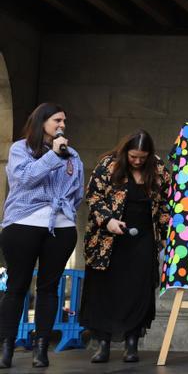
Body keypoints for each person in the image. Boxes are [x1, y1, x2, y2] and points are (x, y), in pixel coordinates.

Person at [0, 103, 83, 369]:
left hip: (60, 228)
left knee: (49, 288)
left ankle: (41, 348)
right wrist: (53, 156)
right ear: (42, 122)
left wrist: (67, 213)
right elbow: (24, 180)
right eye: (57, 120)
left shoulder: (73, 155)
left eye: (64, 121)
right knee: (17, 286)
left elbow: (77, 192)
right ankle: (6, 347)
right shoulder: (20, 149)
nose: (62, 125)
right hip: (23, 224)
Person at [80, 130, 172, 363]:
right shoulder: (108, 165)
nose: (138, 161)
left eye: (143, 157)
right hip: (108, 240)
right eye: (133, 156)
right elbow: (93, 197)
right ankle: (103, 344)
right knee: (105, 290)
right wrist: (108, 220)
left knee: (138, 290)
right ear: (125, 152)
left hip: (142, 239)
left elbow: (165, 205)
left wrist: (163, 236)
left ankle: (132, 344)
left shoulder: (158, 168)